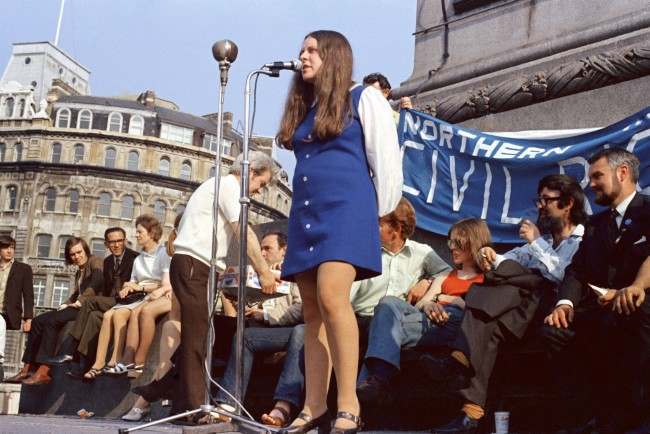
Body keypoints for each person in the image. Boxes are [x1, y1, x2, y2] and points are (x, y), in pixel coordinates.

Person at [276, 30, 403, 433]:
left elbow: (385, 163)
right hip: (306, 214)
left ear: (334, 56)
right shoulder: (307, 107)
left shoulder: (364, 97)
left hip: (346, 211)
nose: (302, 56)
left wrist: (371, 214)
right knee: (311, 310)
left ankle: (348, 404)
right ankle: (313, 405)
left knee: (333, 297)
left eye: (312, 50)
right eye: (302, 49)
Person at [260, 198, 447, 428]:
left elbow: (447, 274)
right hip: (354, 317)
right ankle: (284, 406)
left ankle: (352, 411)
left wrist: (427, 283)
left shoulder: (422, 253)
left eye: (378, 223)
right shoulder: (364, 250)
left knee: (382, 318)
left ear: (396, 229)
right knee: (303, 331)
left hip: (386, 322)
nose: (371, 227)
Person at [426, 174, 586, 434]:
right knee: (489, 320)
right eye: (539, 200)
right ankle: (471, 412)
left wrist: (535, 243)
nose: (540, 206)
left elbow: (564, 276)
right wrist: (491, 256)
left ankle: (458, 359)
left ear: (567, 204)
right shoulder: (543, 243)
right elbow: (510, 259)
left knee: (525, 282)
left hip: (550, 312)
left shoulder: (582, 240)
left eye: (546, 200)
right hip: (517, 313)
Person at [542, 148, 650, 432]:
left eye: (597, 176)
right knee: (555, 329)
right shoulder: (594, 225)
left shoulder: (647, 211)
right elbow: (577, 270)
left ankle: (635, 416)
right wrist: (564, 304)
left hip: (638, 306)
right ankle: (581, 417)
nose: (590, 185)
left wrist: (635, 287)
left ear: (622, 173)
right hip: (600, 309)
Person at [169, 150, 277, 419]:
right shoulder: (228, 186)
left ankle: (172, 396)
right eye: (260, 184)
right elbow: (243, 229)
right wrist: (264, 272)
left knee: (200, 335)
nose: (259, 192)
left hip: (197, 264)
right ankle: (195, 410)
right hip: (195, 264)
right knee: (198, 338)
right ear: (250, 171)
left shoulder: (218, 186)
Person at [356, 218, 490, 407]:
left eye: (457, 243)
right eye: (450, 242)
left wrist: (456, 301)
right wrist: (429, 305)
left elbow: (484, 312)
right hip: (427, 323)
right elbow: (423, 303)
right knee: (387, 303)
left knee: (384, 327)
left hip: (457, 326)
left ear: (474, 243)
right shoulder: (446, 275)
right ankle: (377, 381)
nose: (452, 248)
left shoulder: (486, 278)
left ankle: (372, 383)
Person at [83, 214, 169, 379]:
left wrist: (139, 287)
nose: (136, 235)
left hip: (152, 296)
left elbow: (164, 284)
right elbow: (133, 280)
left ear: (151, 233)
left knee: (118, 314)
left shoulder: (163, 253)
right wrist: (127, 287)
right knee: (108, 315)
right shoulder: (140, 258)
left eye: (139, 232)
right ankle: (99, 363)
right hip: (137, 295)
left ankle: (115, 361)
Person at [7, 238, 103, 385]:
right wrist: (65, 304)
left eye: (79, 252)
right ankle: (28, 367)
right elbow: (75, 293)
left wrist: (81, 301)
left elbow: (97, 280)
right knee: (38, 321)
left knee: (52, 321)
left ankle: (44, 370)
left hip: (90, 307)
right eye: (73, 254)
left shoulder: (95, 260)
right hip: (78, 305)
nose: (77, 256)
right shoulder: (79, 271)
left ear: (86, 251)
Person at [67, 227, 137, 372]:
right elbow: (105, 289)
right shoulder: (107, 262)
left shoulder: (135, 258)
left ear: (125, 241)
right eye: (112, 242)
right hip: (111, 302)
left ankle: (71, 347)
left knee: (89, 301)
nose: (116, 245)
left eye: (119, 241)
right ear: (106, 244)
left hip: (129, 301)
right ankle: (85, 364)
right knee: (94, 316)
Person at [0, 235, 34, 382]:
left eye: (12, 248)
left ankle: (0, 362)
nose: (10, 251)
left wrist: (28, 318)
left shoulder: (23, 269)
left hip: (8, 313)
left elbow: (28, 295)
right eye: (6, 247)